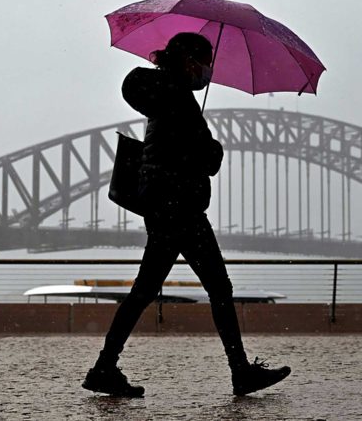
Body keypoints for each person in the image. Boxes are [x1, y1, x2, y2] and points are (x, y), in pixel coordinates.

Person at [82, 32, 291, 397]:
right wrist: (212, 147)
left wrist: (199, 142)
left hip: (164, 208)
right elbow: (205, 161)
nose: (209, 71)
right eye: (206, 62)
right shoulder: (179, 100)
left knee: (145, 291)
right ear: (190, 62)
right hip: (181, 210)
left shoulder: (164, 98)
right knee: (218, 288)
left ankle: (104, 367)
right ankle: (239, 372)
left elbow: (175, 151)